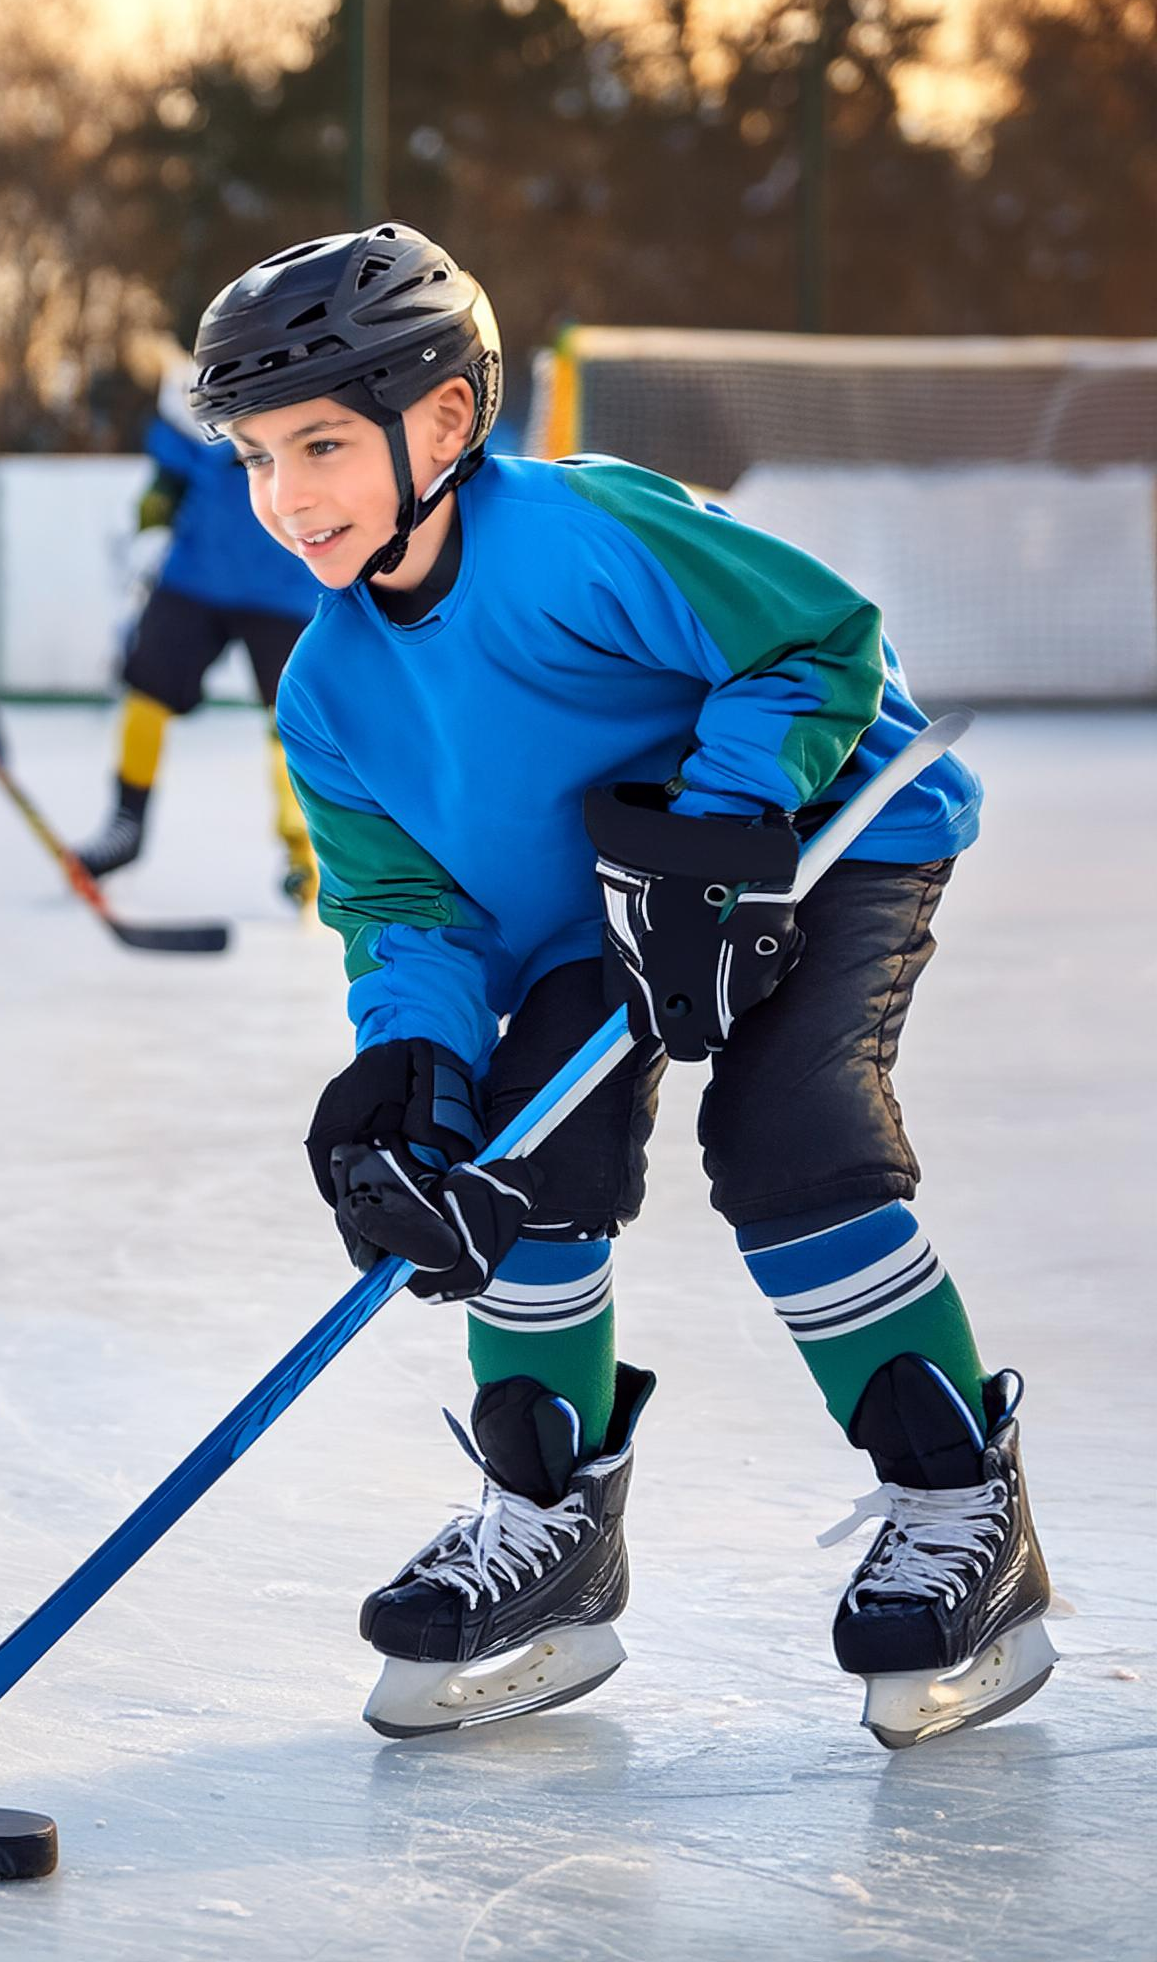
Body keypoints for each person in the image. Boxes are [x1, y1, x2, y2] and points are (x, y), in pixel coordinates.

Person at [184, 223, 1054, 1749]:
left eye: (319, 444)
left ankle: (961, 1505)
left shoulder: (583, 532)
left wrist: (722, 827)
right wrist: (414, 1076)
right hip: (606, 900)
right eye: (256, 458)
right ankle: (551, 1530)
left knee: (784, 1134)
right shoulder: (328, 687)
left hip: (819, 829)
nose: (285, 498)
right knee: (518, 1154)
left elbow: (816, 643)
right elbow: (408, 908)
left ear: (445, 419)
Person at [72, 351, 325, 908]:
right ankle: (126, 823)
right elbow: (165, 484)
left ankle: (304, 850)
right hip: (195, 576)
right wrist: (150, 531)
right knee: (148, 689)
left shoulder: (316, 393)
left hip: (285, 585)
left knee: (293, 721)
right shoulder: (195, 391)